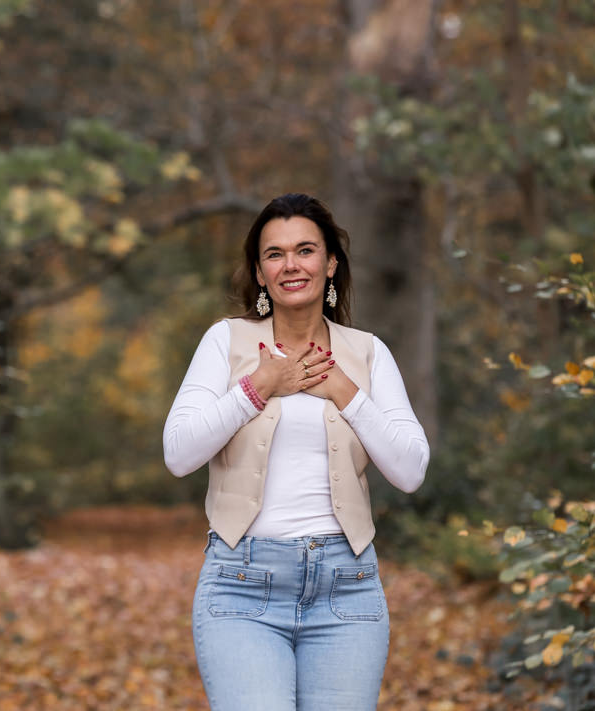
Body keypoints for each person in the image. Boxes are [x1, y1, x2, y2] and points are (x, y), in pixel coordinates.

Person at [162, 192, 430, 711]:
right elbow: (178, 453)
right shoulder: (226, 342)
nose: (291, 265)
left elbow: (410, 470)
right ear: (259, 273)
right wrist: (259, 386)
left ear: (330, 264)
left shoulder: (368, 353)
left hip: (347, 588)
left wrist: (344, 391)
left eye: (305, 250)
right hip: (242, 586)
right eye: (275, 254)